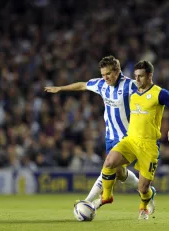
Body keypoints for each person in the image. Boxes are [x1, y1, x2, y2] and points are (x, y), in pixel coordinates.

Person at [44, 56, 155, 213]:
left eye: (108, 74)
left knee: (108, 166)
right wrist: (60, 88)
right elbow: (83, 85)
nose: (105, 77)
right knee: (120, 173)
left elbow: (151, 93)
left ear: (118, 71)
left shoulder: (131, 85)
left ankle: (88, 201)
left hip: (127, 138)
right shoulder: (101, 84)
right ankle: (147, 192)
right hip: (110, 137)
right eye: (103, 74)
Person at [94, 60, 169, 219]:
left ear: (150, 75)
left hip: (148, 145)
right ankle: (106, 196)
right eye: (135, 76)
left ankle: (144, 204)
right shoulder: (133, 92)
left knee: (143, 188)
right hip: (130, 140)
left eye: (141, 77)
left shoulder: (160, 93)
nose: (137, 80)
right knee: (109, 162)